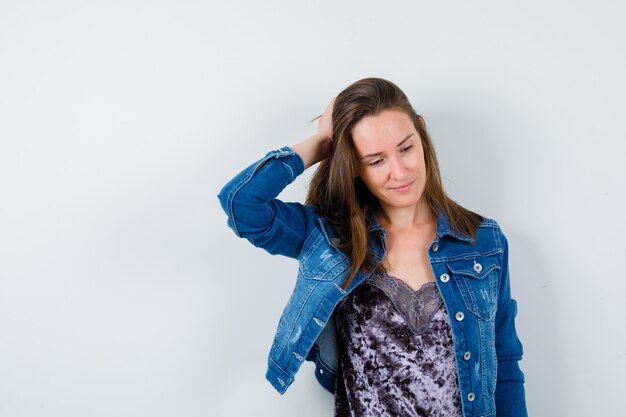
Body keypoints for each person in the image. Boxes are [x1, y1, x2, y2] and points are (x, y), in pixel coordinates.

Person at [217, 78, 527, 417]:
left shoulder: (482, 241)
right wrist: (321, 143)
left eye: (406, 148)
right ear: (354, 166)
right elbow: (242, 205)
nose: (399, 171)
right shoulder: (329, 237)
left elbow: (505, 363)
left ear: (421, 135)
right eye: (376, 160)